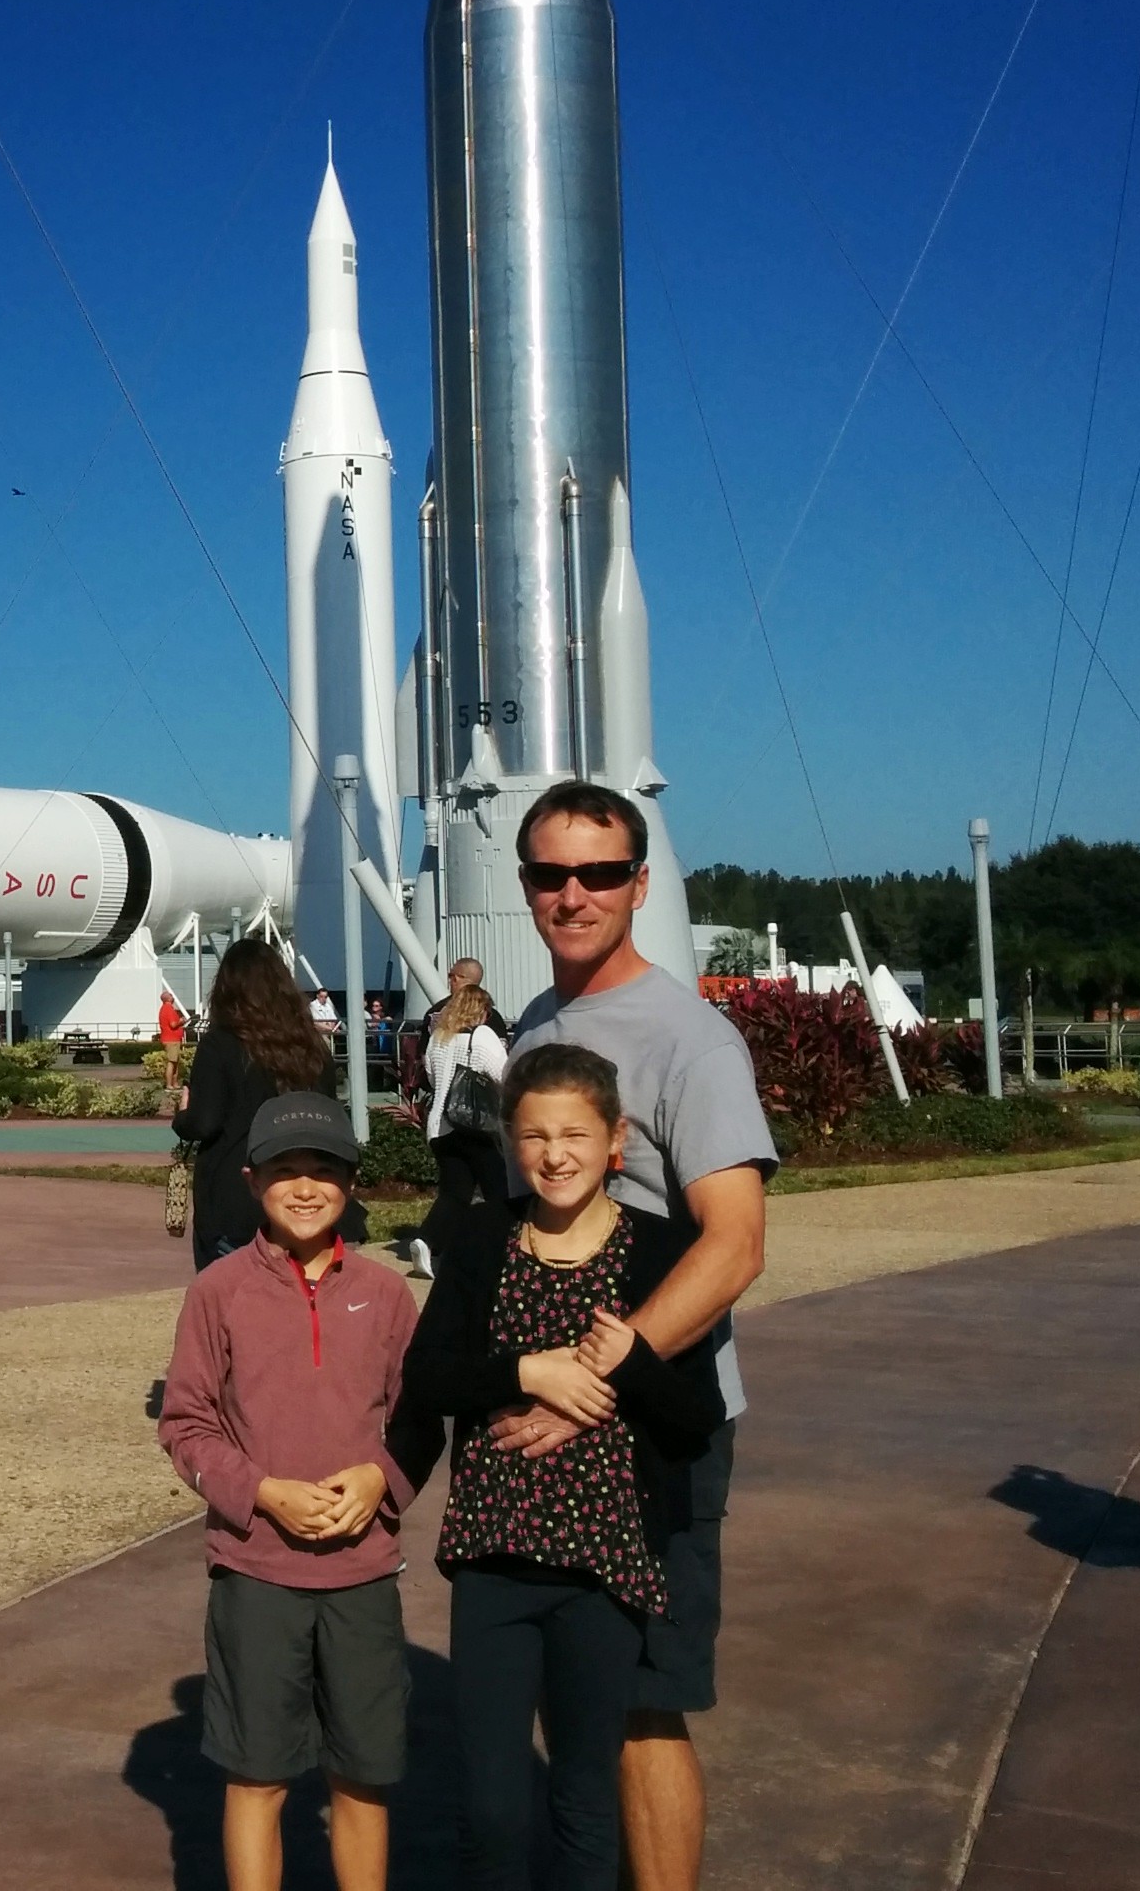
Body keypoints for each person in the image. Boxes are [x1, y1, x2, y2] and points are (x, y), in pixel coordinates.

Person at [494, 782, 774, 1891]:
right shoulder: (535, 1027)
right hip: (547, 1411)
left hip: (650, 1424)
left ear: (640, 885)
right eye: (551, 874)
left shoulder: (690, 1040)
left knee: (646, 1703)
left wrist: (594, 1381)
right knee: (573, 1695)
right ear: (526, 886)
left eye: (601, 874)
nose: (575, 895)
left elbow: (734, 1244)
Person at [395, 1046, 727, 1891]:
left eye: (575, 1134)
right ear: (512, 1141)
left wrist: (634, 1362)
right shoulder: (483, 1239)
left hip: (604, 1571)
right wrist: (527, 1370)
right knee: (493, 1807)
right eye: (535, 1135)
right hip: (495, 1563)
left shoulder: (660, 1250)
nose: (554, 1155)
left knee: (584, 1798)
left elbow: (695, 1420)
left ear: (616, 1139)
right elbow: (427, 1376)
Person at [158, 1090, 420, 1891]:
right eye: (284, 1171)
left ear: (351, 1182)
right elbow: (186, 1423)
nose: (305, 1188)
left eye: (324, 1170)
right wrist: (262, 1492)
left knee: (362, 1775)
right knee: (258, 1774)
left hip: (363, 1572)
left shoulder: (386, 1294)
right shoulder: (219, 1291)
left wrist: (381, 1479)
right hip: (256, 1571)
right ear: (252, 1180)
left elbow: (420, 1420)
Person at [175, 936, 342, 1268]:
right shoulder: (311, 1047)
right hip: (302, 1192)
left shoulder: (221, 1044)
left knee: (230, 1294)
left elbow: (204, 1123)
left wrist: (183, 1115)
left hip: (236, 1194)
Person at [424, 960, 512, 1189]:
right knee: (499, 1192)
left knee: (454, 1195)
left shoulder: (438, 1037)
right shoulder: (482, 1035)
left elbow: (431, 1077)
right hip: (475, 1124)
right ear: (479, 1010)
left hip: (440, 1126)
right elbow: (504, 1077)